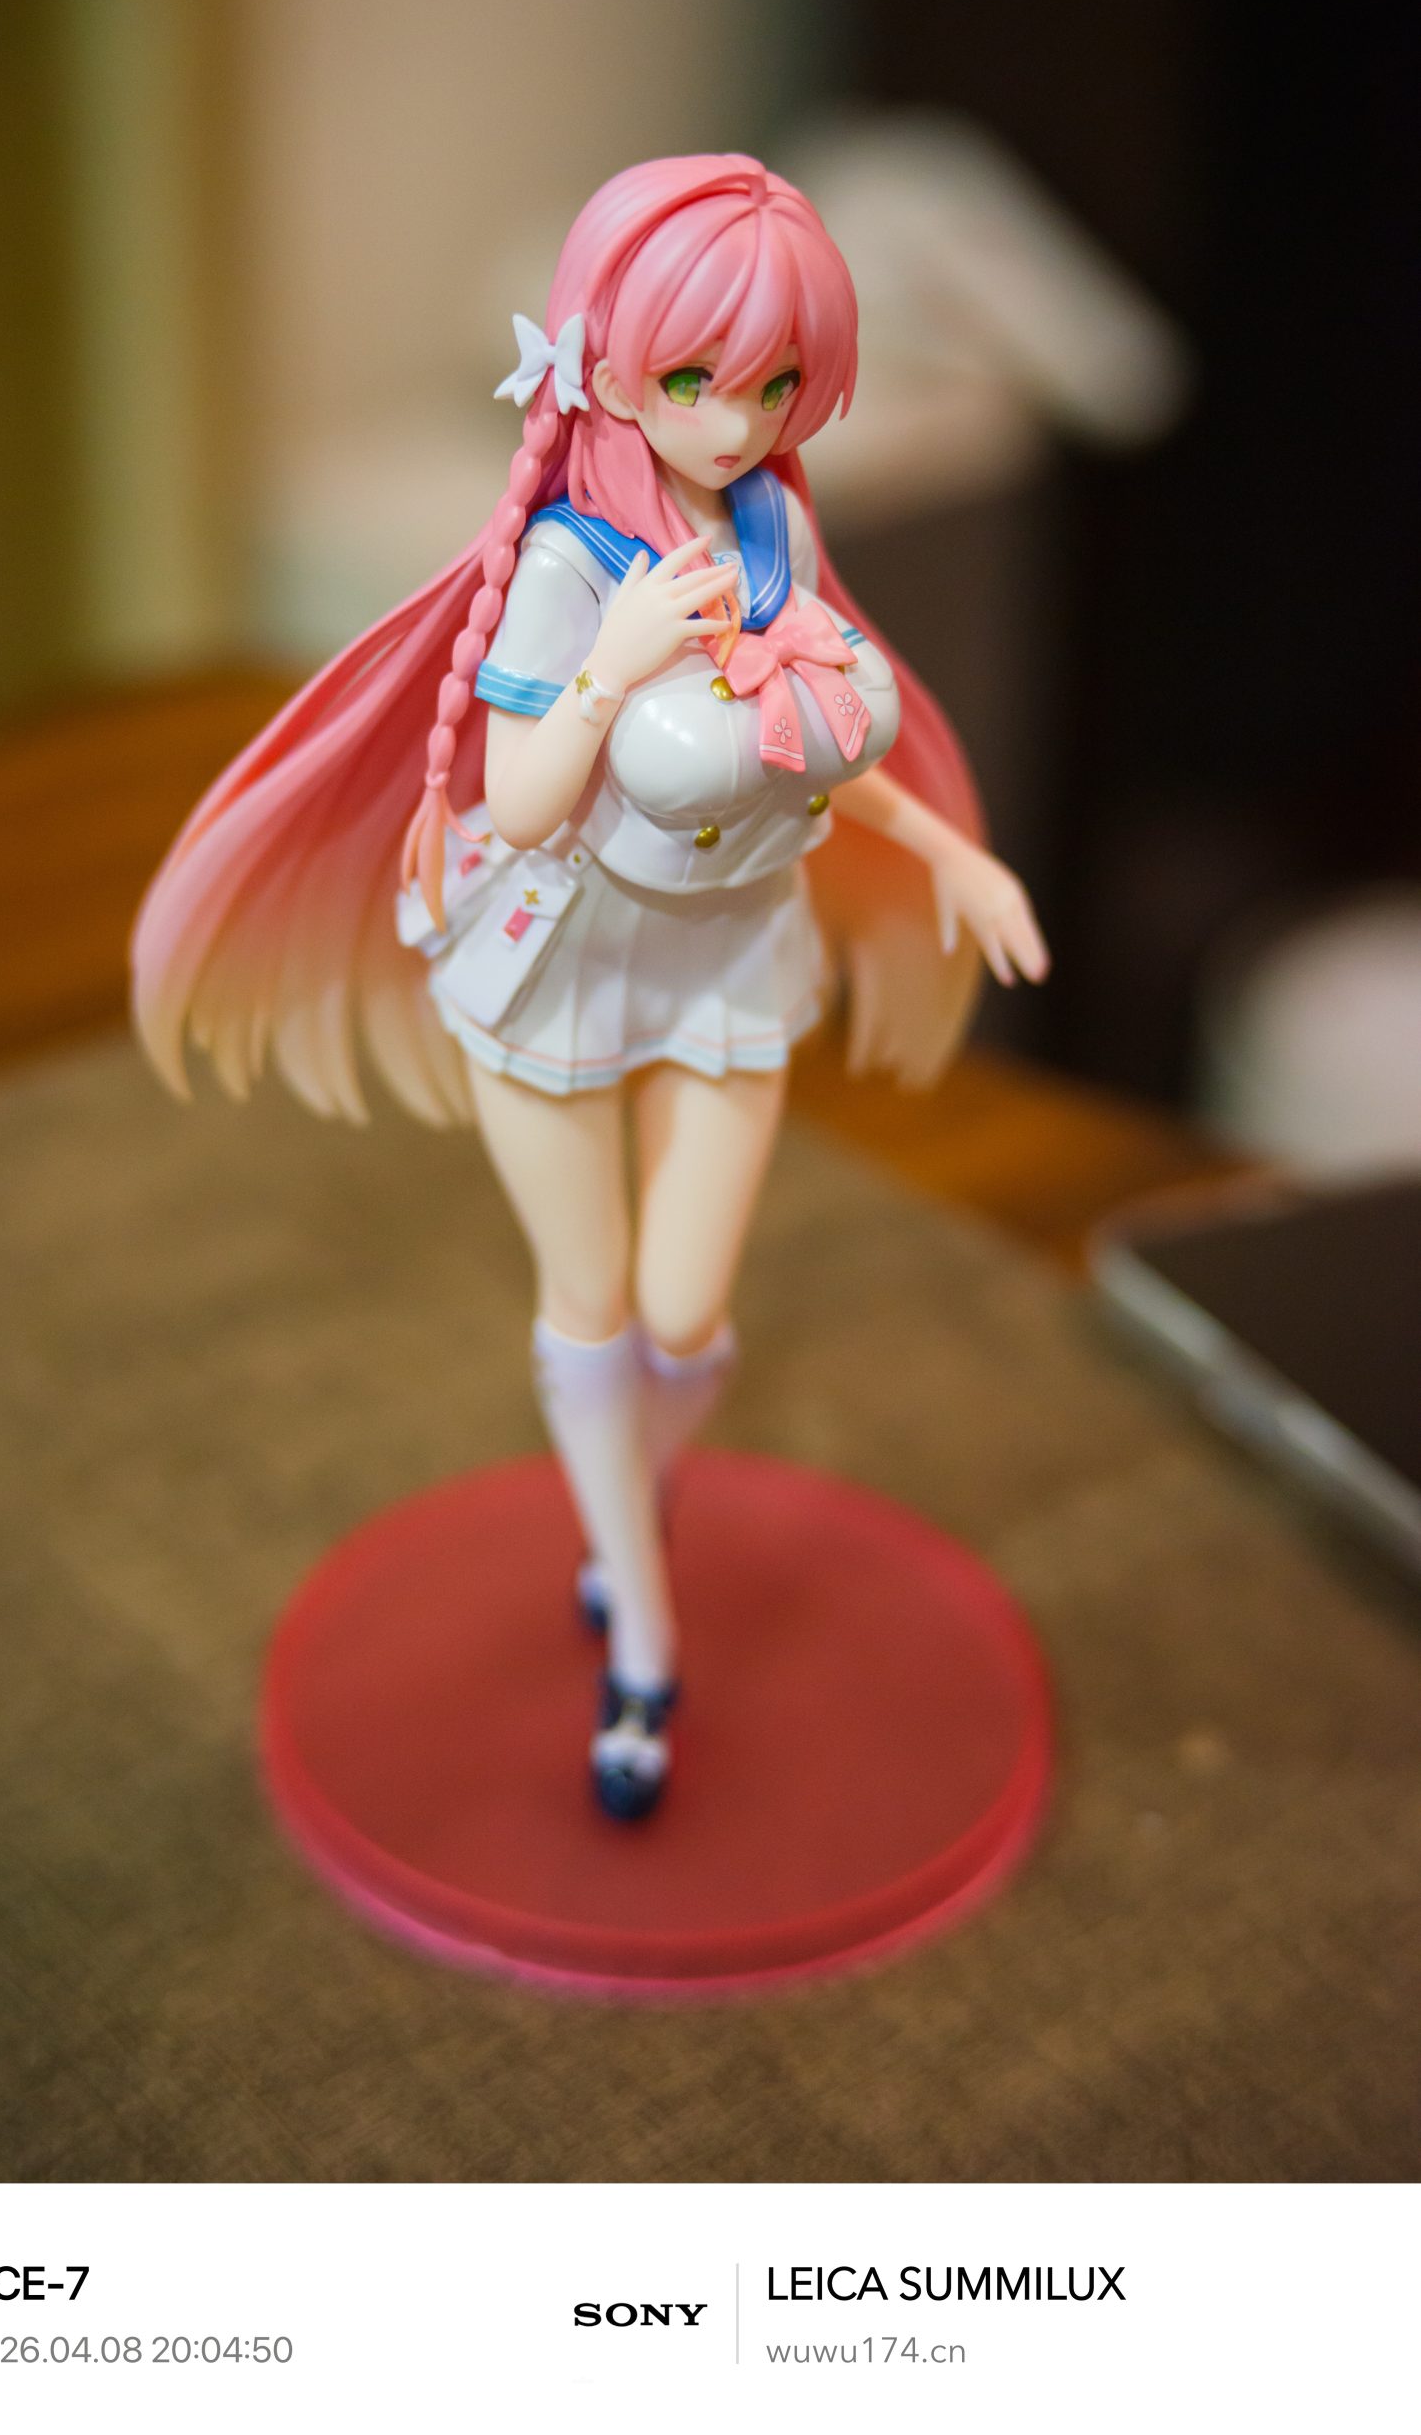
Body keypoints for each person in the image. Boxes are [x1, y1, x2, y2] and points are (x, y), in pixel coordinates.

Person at [132, 154, 1048, 1824]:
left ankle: (625, 1498)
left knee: (689, 1316)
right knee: (595, 1298)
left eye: (774, 382)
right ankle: (640, 1625)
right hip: (560, 947)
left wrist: (948, 855)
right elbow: (528, 796)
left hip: (731, 946)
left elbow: (813, 740)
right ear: (611, 363)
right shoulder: (567, 561)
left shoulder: (776, 524)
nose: (736, 419)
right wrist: (616, 670)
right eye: (698, 379)